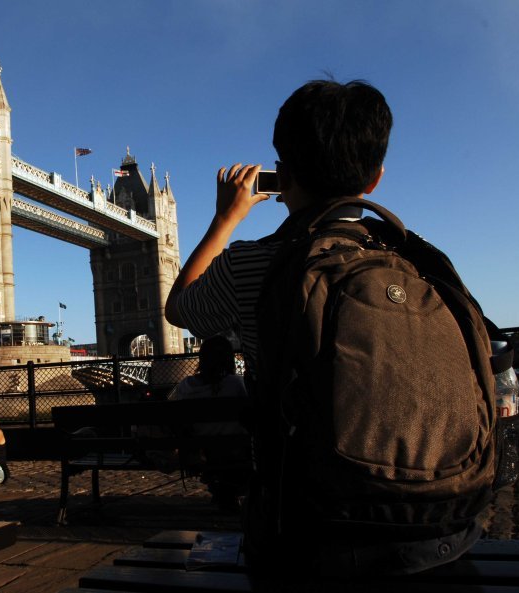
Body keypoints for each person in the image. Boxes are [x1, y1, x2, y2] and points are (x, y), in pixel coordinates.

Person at [164, 80, 479, 579]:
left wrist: (225, 219)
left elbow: (179, 308)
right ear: (374, 180)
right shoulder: (417, 261)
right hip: (442, 533)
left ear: (281, 177)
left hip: (311, 539)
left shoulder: (252, 264)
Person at [167, 335, 248, 510]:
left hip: (201, 450)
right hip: (236, 449)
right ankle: (229, 490)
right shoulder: (237, 384)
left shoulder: (185, 386)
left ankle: (220, 489)